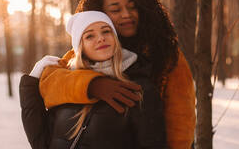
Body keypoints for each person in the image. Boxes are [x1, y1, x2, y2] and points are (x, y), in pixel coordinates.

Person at [34, 0, 196, 148]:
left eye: (133, 7)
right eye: (115, 10)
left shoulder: (166, 54)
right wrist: (92, 85)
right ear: (101, 14)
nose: (126, 14)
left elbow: (181, 122)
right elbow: (49, 82)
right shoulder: (89, 51)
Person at [49, 11, 168, 148]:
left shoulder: (139, 88)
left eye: (106, 31)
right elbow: (43, 140)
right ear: (80, 48)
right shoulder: (67, 88)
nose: (100, 38)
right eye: (89, 36)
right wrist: (31, 82)